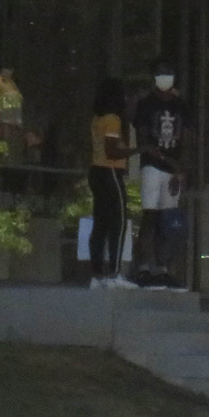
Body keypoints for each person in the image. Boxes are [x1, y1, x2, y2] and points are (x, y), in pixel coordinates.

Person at [130, 62, 187, 286]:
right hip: (152, 166)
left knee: (167, 219)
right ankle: (144, 266)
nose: (165, 78)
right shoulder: (146, 104)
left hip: (172, 168)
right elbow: (143, 136)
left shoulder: (182, 106)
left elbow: (188, 139)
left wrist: (181, 169)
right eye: (161, 74)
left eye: (169, 73)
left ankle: (162, 267)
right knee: (150, 216)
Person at [87, 75, 132, 287]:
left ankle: (97, 272)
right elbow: (112, 151)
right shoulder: (113, 120)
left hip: (96, 171)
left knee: (101, 224)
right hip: (111, 171)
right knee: (119, 222)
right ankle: (114, 272)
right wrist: (137, 150)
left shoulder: (97, 119)